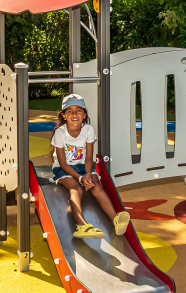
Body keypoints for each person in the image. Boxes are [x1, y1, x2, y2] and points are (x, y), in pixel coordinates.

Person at [51, 94, 129, 239]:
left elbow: (88, 157)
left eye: (79, 110)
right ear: (64, 115)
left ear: (84, 114)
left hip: (83, 166)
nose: (74, 114)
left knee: (96, 186)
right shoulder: (60, 133)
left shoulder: (88, 130)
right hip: (64, 168)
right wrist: (80, 178)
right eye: (70, 111)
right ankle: (81, 225)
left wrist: (87, 174)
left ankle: (115, 220)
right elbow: (62, 163)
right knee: (76, 189)